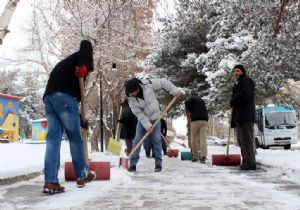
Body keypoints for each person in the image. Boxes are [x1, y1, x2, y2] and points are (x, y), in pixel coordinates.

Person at [42, 40, 96, 194]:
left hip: (50, 99)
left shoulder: (66, 64)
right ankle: (82, 175)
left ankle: (50, 181)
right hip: (64, 98)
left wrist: (79, 119)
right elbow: (86, 43)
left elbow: (67, 105)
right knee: (74, 138)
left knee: (53, 140)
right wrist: (85, 66)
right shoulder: (82, 57)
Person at [125, 78, 181, 172]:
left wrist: (174, 90)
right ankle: (133, 164)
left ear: (137, 88)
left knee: (156, 140)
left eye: (132, 93)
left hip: (156, 118)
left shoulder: (148, 84)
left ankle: (158, 164)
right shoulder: (131, 100)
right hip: (143, 121)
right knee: (137, 140)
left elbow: (163, 82)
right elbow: (139, 114)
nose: (131, 95)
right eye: (129, 93)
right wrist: (147, 125)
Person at [230, 64, 256, 170]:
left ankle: (251, 163)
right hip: (239, 116)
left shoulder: (247, 81)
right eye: (234, 71)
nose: (236, 73)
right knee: (241, 141)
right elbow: (236, 100)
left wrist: (234, 98)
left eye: (238, 70)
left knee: (247, 141)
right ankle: (246, 161)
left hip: (246, 115)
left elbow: (246, 94)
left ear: (242, 72)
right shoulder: (238, 84)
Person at [185, 90, 208, 163]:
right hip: (205, 120)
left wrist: (189, 111)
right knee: (203, 138)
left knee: (193, 138)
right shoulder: (201, 100)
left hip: (195, 120)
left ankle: (195, 156)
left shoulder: (191, 98)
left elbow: (186, 103)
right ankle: (203, 155)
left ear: (191, 94)